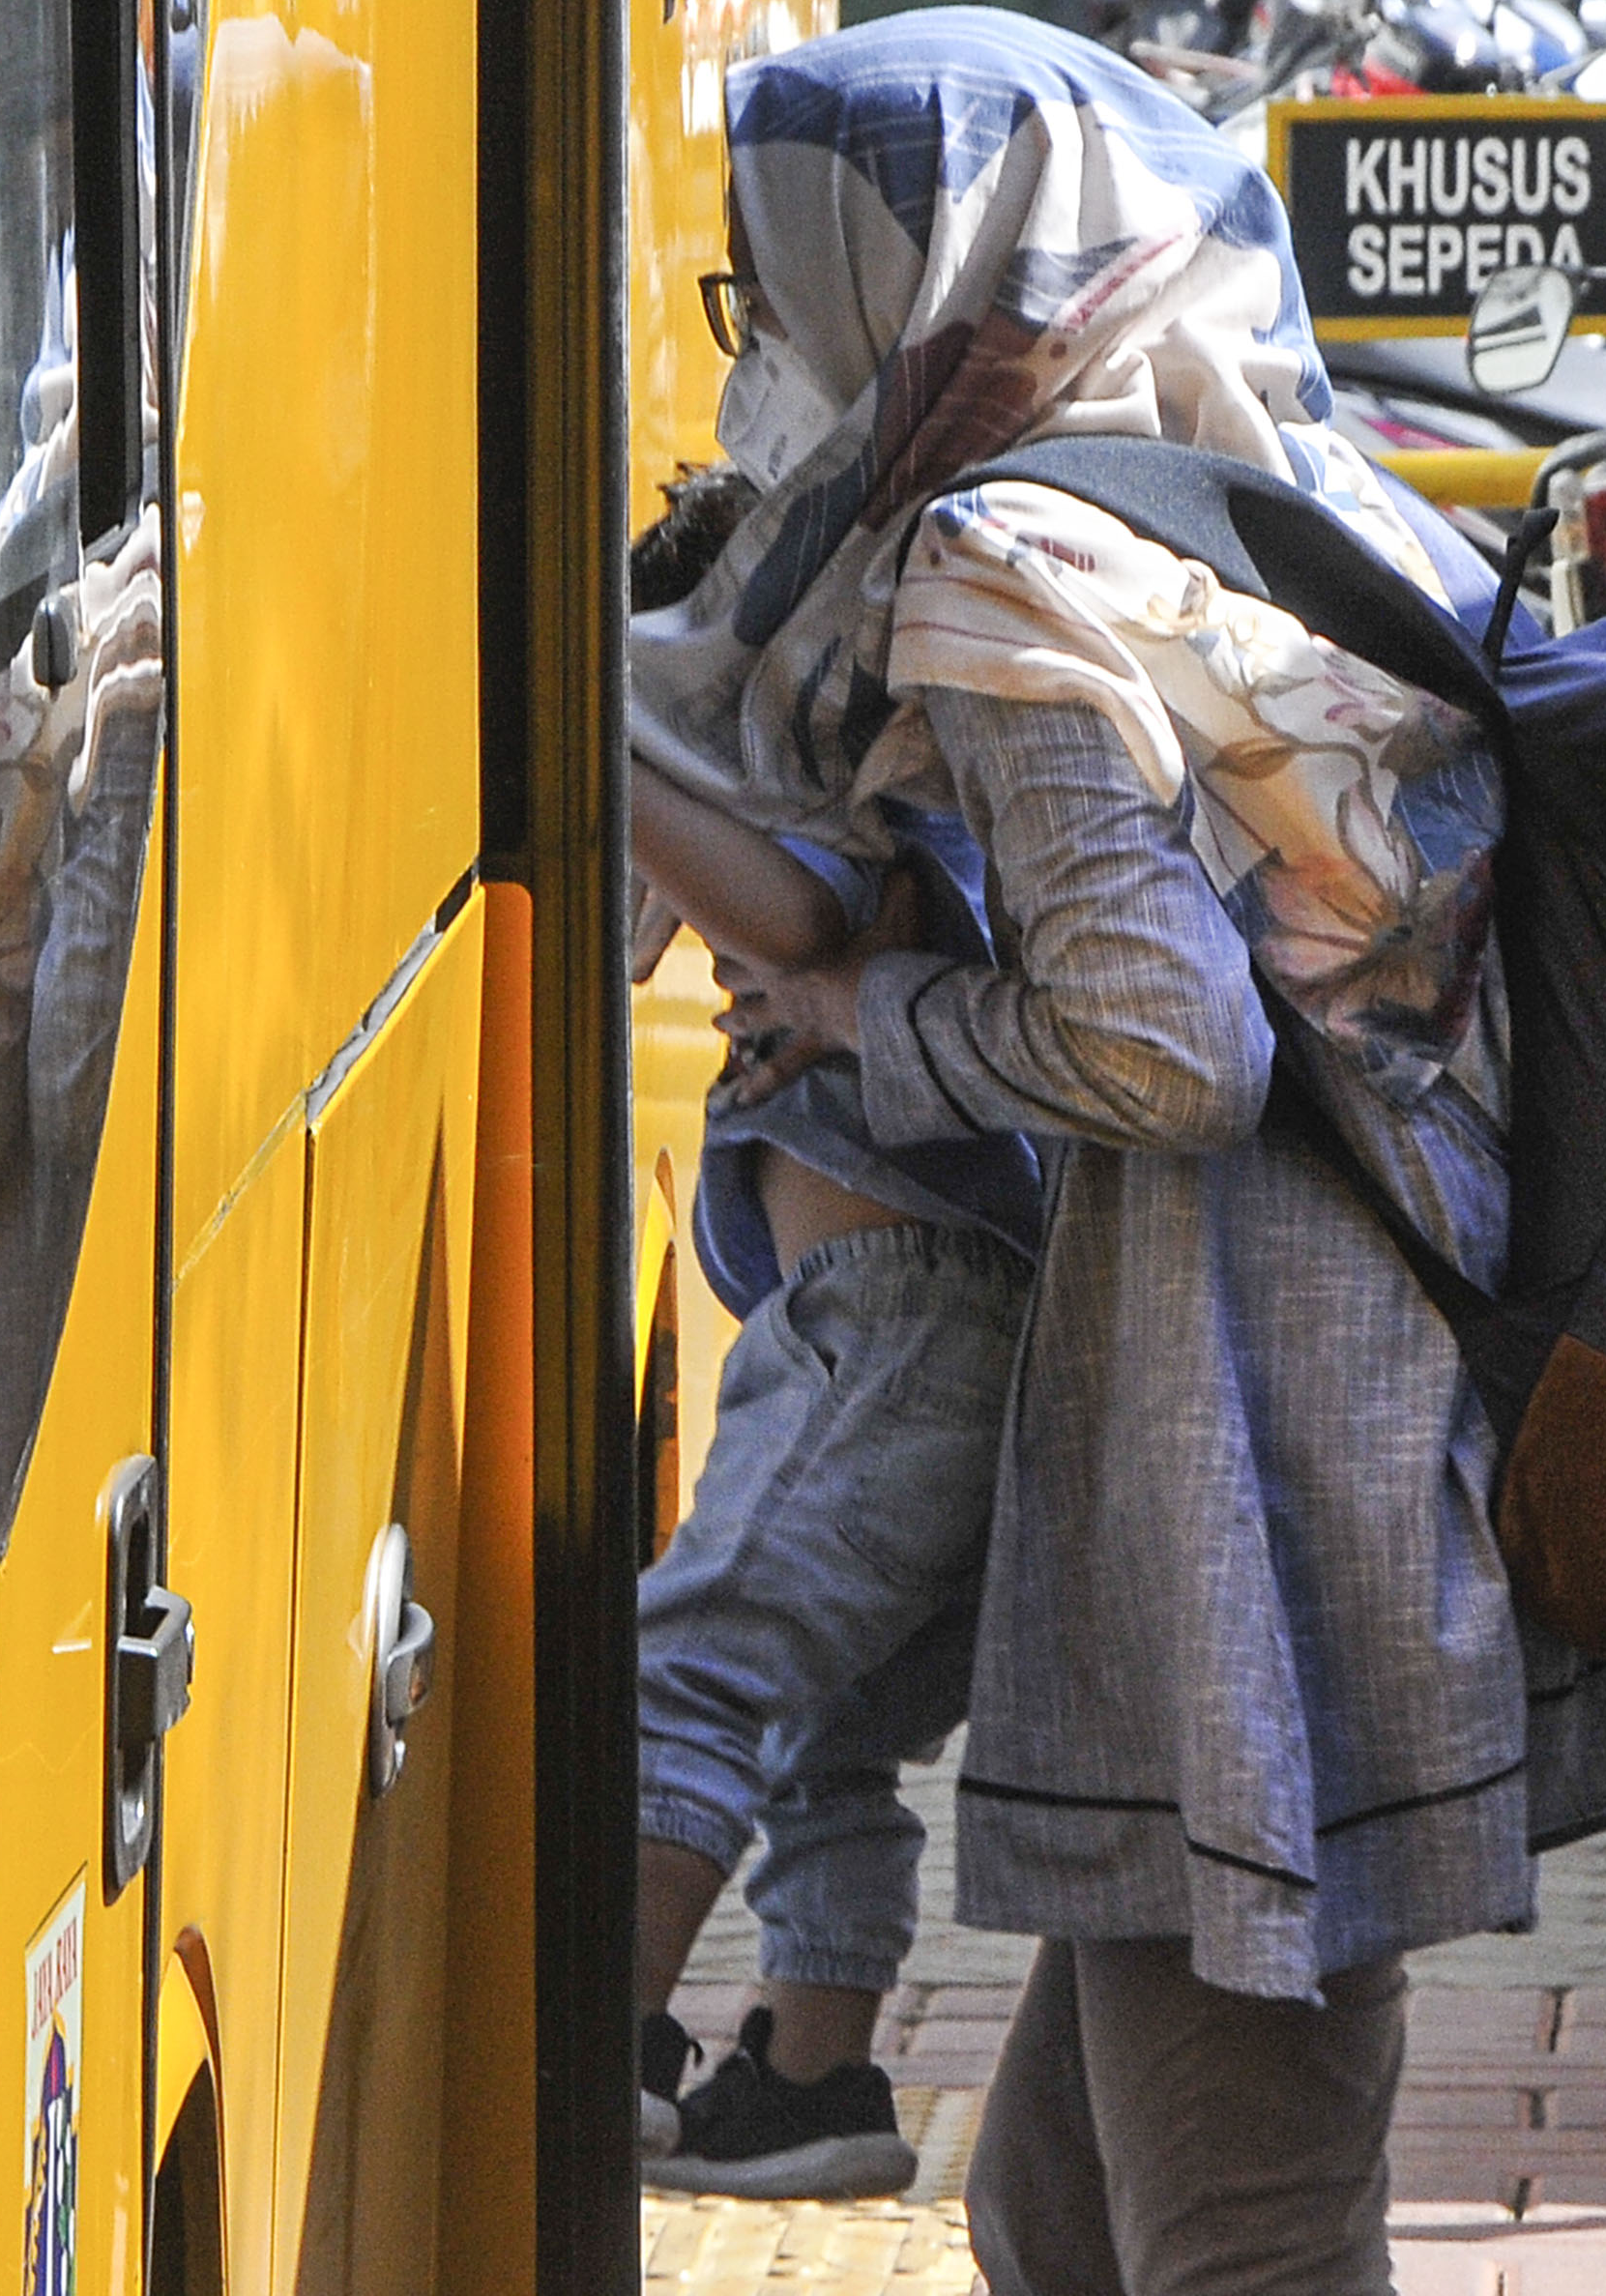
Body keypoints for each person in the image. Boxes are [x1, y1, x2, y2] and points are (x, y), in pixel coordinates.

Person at [629, 5, 1606, 2287]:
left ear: (916, 264)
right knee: (1062, 2209)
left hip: (1255, 1461)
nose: (764, 339)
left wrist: (854, 1012)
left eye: (774, 278)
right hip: (1341, 1403)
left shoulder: (1017, 572)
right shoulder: (1256, 486)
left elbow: (1162, 1045)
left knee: (1230, 2230)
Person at [622, 680, 1043, 2198]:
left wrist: (601, 725)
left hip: (895, 1318)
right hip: (938, 1321)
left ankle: (598, 2033)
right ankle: (812, 2079)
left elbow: (795, 923)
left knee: (686, 1664)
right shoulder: (897, 769)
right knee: (828, 1736)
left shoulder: (848, 783)